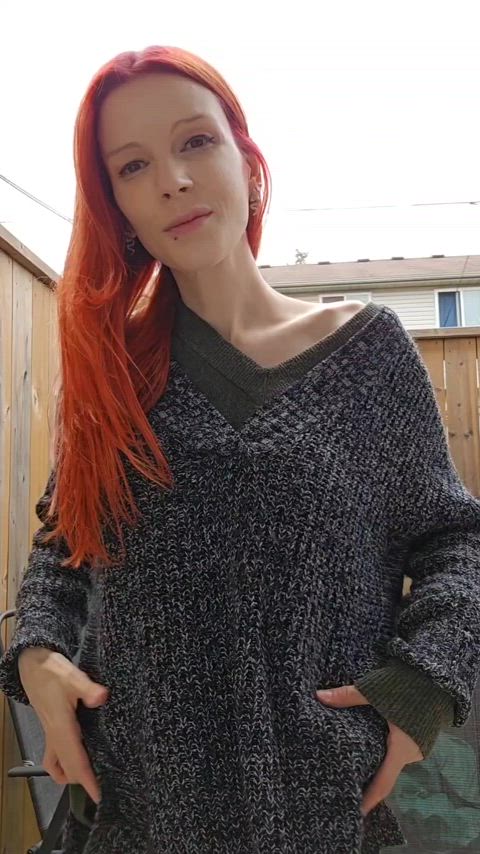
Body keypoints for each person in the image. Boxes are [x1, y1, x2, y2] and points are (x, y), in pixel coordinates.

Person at [0, 44, 479, 854]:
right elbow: (64, 544)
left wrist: (422, 687)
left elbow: (456, 540)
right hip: (129, 814)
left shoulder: (366, 353)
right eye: (133, 166)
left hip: (323, 812)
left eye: (195, 142)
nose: (172, 181)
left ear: (249, 166)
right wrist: (38, 655)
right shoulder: (114, 372)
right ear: (118, 208)